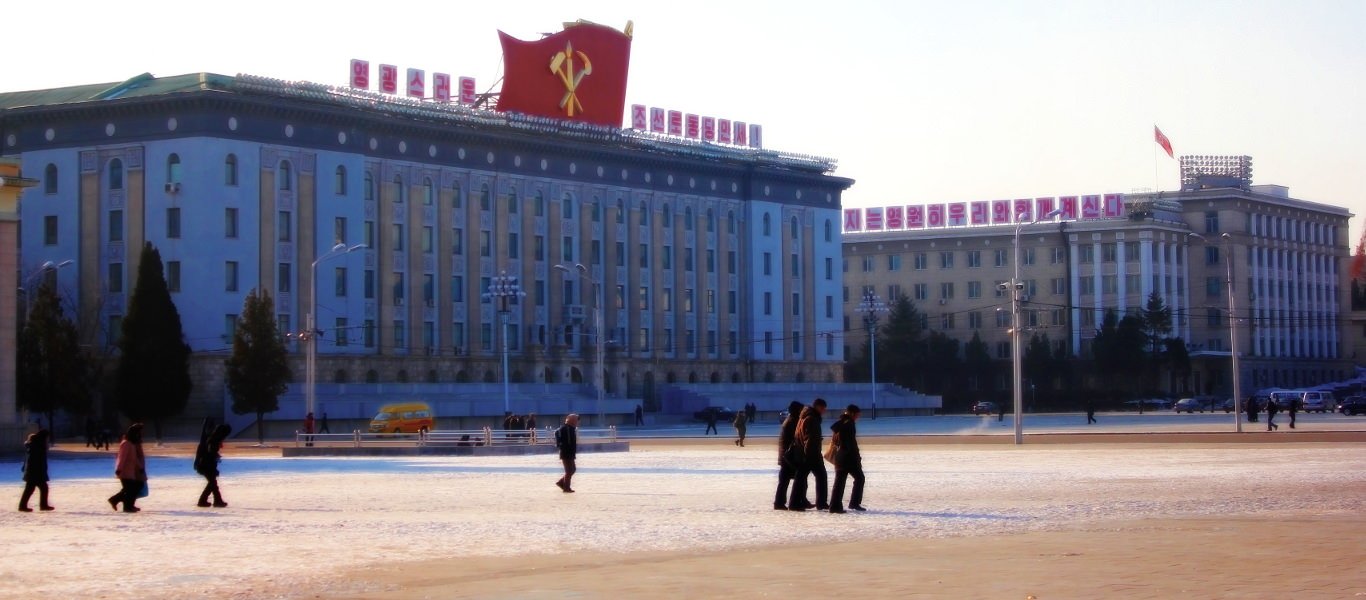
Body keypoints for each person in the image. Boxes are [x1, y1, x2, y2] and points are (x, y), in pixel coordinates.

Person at [790, 398, 829, 511]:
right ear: (817, 407)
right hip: (811, 453)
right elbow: (810, 438)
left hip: (804, 452)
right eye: (822, 408)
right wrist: (811, 454)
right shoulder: (812, 419)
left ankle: (795, 503)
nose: (823, 411)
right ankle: (820, 503)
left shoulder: (804, 417)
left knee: (801, 478)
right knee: (820, 476)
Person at [828, 404, 865, 513]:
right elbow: (851, 444)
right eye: (857, 415)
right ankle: (854, 503)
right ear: (852, 414)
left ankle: (834, 506)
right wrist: (857, 458)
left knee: (839, 482)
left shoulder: (841, 423)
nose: (858, 417)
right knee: (859, 478)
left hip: (840, 457)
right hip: (848, 458)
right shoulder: (849, 424)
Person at [108, 423, 147, 513]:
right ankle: (124, 505)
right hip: (125, 471)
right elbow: (122, 457)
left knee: (131, 489)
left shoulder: (132, 443)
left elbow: (134, 458)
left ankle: (122, 503)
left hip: (131, 471)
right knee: (130, 489)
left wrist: (140, 467)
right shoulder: (126, 443)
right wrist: (119, 469)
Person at [774, 401, 805, 510]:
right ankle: (795, 502)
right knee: (799, 478)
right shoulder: (793, 421)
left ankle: (780, 502)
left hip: (785, 455)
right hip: (789, 456)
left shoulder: (789, 420)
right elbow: (796, 438)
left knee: (784, 480)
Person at [195, 424, 232, 507]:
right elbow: (210, 453)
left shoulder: (213, 438)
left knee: (212, 483)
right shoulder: (214, 440)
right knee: (213, 483)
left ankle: (209, 500)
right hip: (207, 464)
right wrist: (215, 455)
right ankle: (212, 501)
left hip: (206, 464)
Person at [19, 428, 54, 512]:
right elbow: (35, 460)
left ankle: (24, 506)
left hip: (33, 472)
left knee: (32, 489)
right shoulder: (38, 446)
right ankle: (41, 505)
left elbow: (28, 459)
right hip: (36, 472)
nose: (48, 439)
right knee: (41, 488)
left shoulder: (35, 445)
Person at [554, 414, 579, 493]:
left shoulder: (570, 428)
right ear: (572, 421)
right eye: (576, 421)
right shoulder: (567, 429)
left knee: (573, 469)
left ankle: (561, 483)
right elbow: (568, 442)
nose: (577, 422)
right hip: (566, 452)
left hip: (569, 452)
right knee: (569, 471)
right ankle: (566, 488)